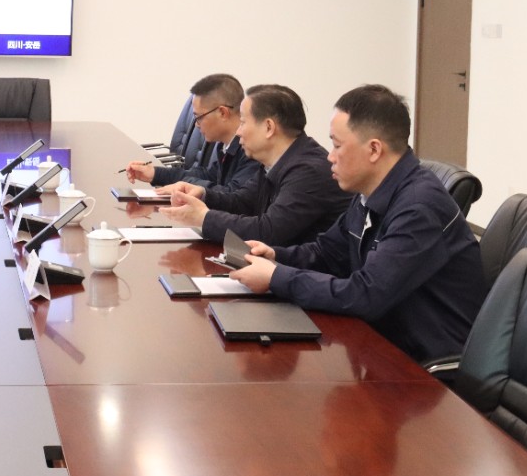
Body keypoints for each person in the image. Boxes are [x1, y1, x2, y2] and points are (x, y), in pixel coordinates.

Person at [229, 85, 488, 363]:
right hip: (380, 342)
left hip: (422, 364)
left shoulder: (419, 207)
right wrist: (275, 256)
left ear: (374, 149)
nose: (330, 156)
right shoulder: (370, 192)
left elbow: (367, 295)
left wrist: (276, 277)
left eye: (337, 145)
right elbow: (327, 253)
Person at [160, 84, 350, 245]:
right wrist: (203, 194)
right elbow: (242, 201)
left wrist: (204, 217)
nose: (238, 132)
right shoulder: (275, 161)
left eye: (243, 122)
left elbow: (267, 232)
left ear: (268, 127)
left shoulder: (308, 171)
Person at [125, 74, 261, 194]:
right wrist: (155, 173)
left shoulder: (251, 150)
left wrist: (186, 186)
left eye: (198, 117)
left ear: (222, 113)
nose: (196, 124)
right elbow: (208, 176)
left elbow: (233, 196)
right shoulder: (226, 145)